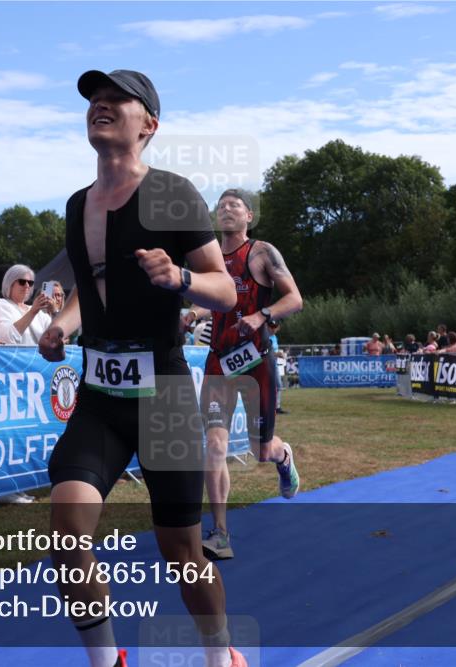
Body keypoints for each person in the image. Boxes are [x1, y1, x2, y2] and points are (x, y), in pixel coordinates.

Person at [38, 69, 244, 667]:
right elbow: (91, 282)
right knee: (65, 532)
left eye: (115, 101)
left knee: (180, 548)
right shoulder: (79, 205)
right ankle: (108, 661)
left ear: (148, 125)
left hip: (165, 399)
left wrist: (178, 278)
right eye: (93, 102)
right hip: (99, 396)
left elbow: (225, 290)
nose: (99, 106)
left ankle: (218, 655)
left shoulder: (173, 194)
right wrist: (65, 325)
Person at [181, 188, 304, 563]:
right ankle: (220, 533)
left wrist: (262, 316)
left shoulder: (262, 253)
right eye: (221, 205)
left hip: (255, 362)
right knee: (214, 445)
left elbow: (294, 299)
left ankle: (283, 457)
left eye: (235, 205)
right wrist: (193, 314)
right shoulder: (209, 258)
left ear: (249, 216)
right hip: (218, 361)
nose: (227, 209)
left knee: (260, 450)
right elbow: (211, 298)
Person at [0, 264, 52, 344]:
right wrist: (32, 312)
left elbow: (53, 336)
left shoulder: (39, 312)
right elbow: (6, 339)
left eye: (30, 283)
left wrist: (53, 312)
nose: (27, 286)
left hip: (39, 356)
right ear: (10, 284)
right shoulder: (1, 305)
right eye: (22, 282)